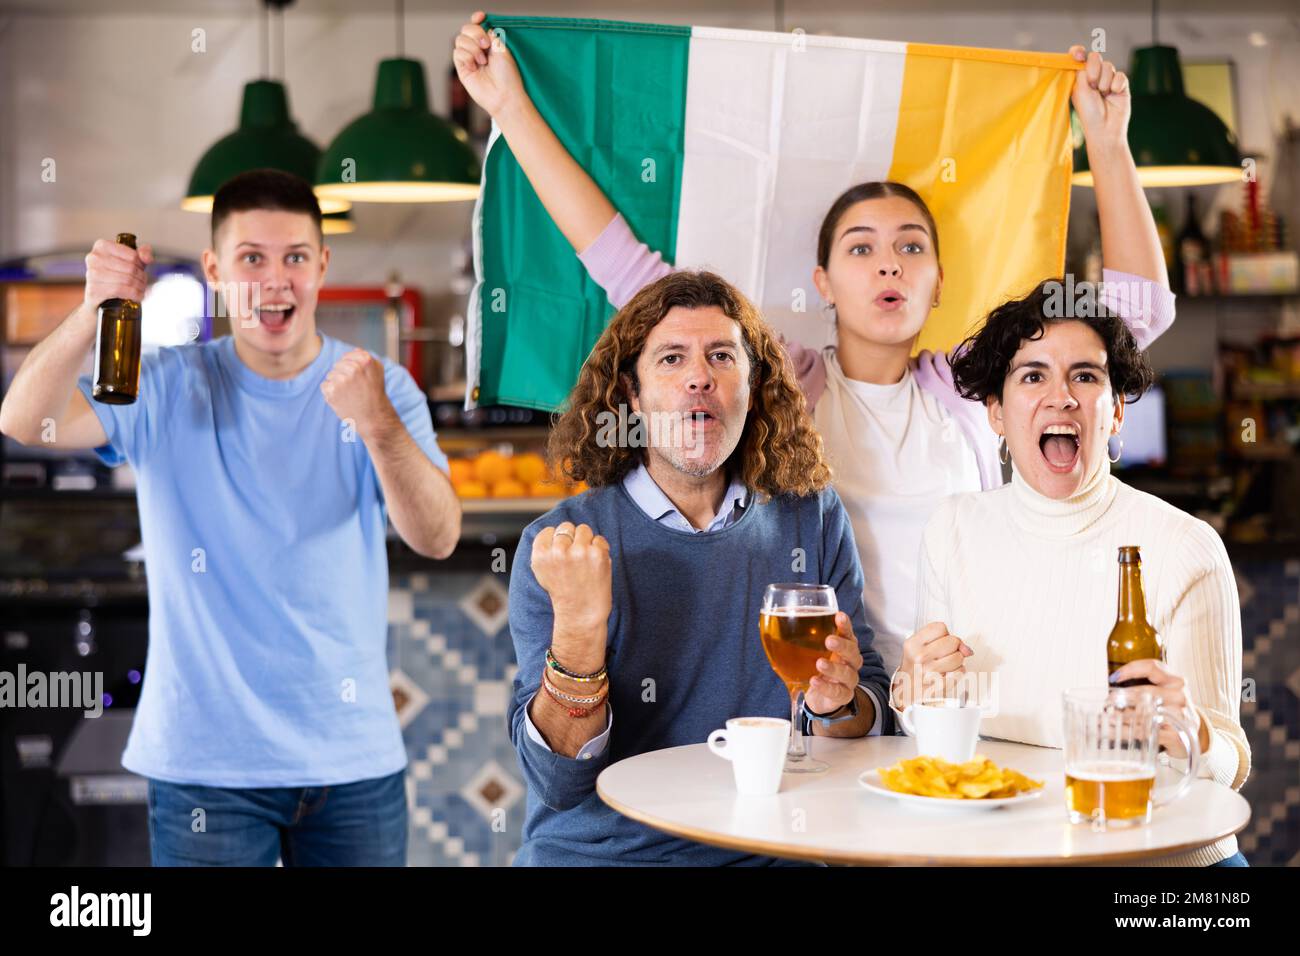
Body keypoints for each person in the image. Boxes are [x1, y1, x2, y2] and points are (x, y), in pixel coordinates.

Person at [454, 12, 1175, 674]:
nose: (888, 262)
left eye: (910, 246)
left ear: (938, 282)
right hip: (827, 702)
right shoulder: (779, 379)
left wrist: (1108, 145)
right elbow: (622, 266)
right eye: (861, 249)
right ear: (823, 283)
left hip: (967, 692)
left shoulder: (974, 388)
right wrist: (509, 108)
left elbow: (1129, 323)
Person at [0, 169, 461, 866]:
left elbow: (438, 537)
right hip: (202, 767)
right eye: (252, 258)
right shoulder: (160, 382)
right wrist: (93, 304)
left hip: (351, 761)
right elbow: (23, 419)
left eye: (295, 258)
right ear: (215, 269)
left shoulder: (382, 387)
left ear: (322, 266)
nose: (275, 282)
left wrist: (379, 427)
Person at [507, 269, 890, 865]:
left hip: (773, 849)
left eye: (720, 356)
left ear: (753, 383)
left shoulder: (810, 517)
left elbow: (871, 707)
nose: (698, 378)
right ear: (631, 395)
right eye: (670, 359)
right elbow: (559, 782)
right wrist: (579, 634)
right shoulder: (562, 545)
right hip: (608, 856)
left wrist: (839, 704)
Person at [893, 282, 1250, 866]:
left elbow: (1228, 763)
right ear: (996, 413)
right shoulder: (953, 529)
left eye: (1085, 376)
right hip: (1010, 854)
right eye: (1033, 376)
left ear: (1114, 412)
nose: (1060, 397)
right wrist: (914, 696)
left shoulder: (1186, 547)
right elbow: (936, 728)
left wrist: (1196, 733)